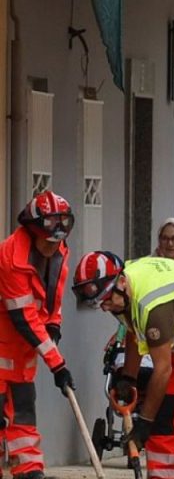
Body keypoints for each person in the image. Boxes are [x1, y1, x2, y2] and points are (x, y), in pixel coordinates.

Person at [72, 253, 174, 479]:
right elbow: (132, 327)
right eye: (100, 303)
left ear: (121, 282)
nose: (104, 307)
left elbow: (163, 370)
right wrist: (128, 378)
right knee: (164, 413)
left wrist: (144, 422)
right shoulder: (122, 293)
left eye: (107, 300)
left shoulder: (153, 305)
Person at [0, 191, 76, 479]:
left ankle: (30, 471)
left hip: (23, 354)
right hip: (6, 343)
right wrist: (57, 364)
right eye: (48, 239)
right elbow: (25, 318)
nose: (53, 246)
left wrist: (55, 323)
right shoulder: (11, 257)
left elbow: (51, 299)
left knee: (23, 414)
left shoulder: (58, 251)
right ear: (33, 231)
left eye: (58, 239)